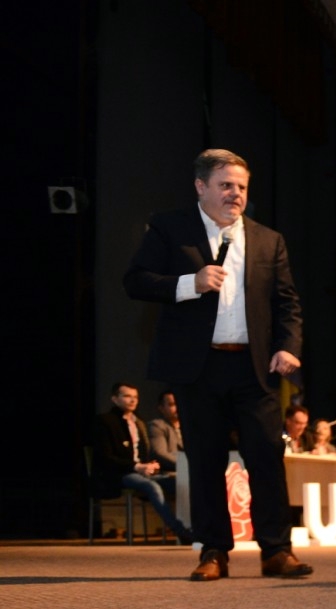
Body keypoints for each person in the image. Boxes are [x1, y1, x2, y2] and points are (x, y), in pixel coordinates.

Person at [123, 148, 311, 581]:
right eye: (226, 185)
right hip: (199, 366)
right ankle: (213, 551)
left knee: (266, 457)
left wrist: (288, 346)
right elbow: (135, 281)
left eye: (241, 186)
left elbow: (287, 303)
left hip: (255, 367)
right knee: (205, 460)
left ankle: (276, 551)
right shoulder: (171, 228)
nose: (235, 194)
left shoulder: (268, 240)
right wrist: (191, 282)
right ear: (201, 187)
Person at [90, 382, 193, 542]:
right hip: (118, 473)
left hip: (141, 472)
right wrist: (136, 466)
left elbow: (143, 454)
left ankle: (197, 527)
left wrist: (150, 465)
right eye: (127, 396)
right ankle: (180, 531)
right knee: (151, 486)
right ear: (115, 399)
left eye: (135, 397)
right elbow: (105, 457)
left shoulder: (139, 423)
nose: (132, 400)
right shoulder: (105, 421)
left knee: (182, 482)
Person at [146, 390, 183, 472]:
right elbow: (160, 453)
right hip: (170, 471)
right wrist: (185, 465)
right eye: (172, 404)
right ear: (161, 408)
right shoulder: (157, 425)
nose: (177, 408)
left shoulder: (189, 426)